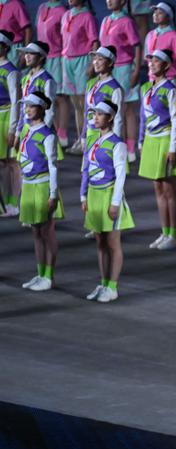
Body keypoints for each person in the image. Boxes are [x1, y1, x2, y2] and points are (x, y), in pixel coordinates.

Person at [81, 99, 133, 303]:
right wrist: (84, 196)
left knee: (112, 243)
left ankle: (112, 287)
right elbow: (86, 169)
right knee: (100, 242)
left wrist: (115, 203)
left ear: (110, 118)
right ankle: (103, 283)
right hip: (94, 195)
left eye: (100, 114)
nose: (95, 117)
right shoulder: (95, 141)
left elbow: (121, 176)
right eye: (94, 114)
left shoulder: (117, 144)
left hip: (109, 195)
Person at [17, 92, 62, 292]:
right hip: (29, 184)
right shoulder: (27, 129)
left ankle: (49, 276)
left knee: (47, 232)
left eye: (31, 106)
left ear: (41, 109)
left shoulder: (48, 135)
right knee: (36, 232)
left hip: (43, 186)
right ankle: (40, 272)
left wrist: (52, 194)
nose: (27, 110)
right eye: (26, 106)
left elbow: (53, 166)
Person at [139, 48, 176, 250]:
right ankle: (164, 232)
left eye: (156, 61)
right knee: (157, 187)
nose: (152, 64)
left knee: (168, 188)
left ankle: (173, 233)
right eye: (150, 61)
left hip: (165, 140)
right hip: (150, 140)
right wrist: (141, 141)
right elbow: (143, 117)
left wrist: (173, 148)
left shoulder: (170, 89)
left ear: (166, 66)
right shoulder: (146, 87)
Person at [100, 0, 141, 162]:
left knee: (127, 110)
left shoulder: (127, 22)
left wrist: (136, 70)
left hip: (124, 68)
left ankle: (130, 150)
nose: (109, 1)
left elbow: (137, 46)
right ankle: (116, 146)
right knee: (112, 110)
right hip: (109, 70)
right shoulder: (105, 20)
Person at [60, 0, 98, 154]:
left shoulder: (87, 16)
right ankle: (80, 139)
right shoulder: (66, 15)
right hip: (67, 60)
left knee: (84, 103)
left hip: (82, 60)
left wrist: (92, 64)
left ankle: (88, 139)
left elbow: (94, 41)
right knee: (75, 103)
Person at [34, 0, 69, 148]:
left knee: (60, 96)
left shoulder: (62, 11)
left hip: (57, 57)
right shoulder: (42, 7)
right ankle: (51, 130)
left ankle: (62, 134)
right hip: (43, 57)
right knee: (45, 96)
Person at [84, 45, 124, 148]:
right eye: (95, 59)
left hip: (104, 136)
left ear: (110, 63)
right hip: (90, 134)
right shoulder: (90, 83)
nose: (96, 62)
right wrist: (83, 135)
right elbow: (87, 111)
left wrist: (114, 143)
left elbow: (118, 118)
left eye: (100, 59)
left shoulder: (115, 88)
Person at [143, 2, 176, 91]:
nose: (156, 15)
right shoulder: (150, 35)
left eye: (160, 13)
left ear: (168, 17)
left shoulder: (174, 36)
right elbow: (147, 59)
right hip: (152, 80)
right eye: (155, 13)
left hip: (169, 80)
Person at [0, 31, 19, 216]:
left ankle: (12, 202)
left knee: (9, 163)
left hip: (5, 117)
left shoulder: (11, 71)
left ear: (5, 47)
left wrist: (13, 129)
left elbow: (16, 102)